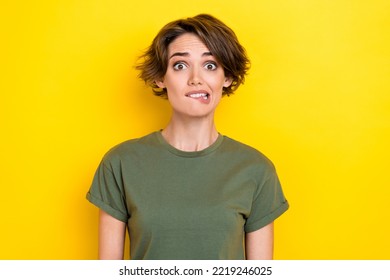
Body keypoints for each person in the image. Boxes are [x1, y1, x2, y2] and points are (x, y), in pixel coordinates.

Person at [86, 14, 289, 260]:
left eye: (210, 65)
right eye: (180, 65)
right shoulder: (120, 163)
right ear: (161, 78)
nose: (195, 79)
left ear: (227, 78)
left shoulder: (256, 169)